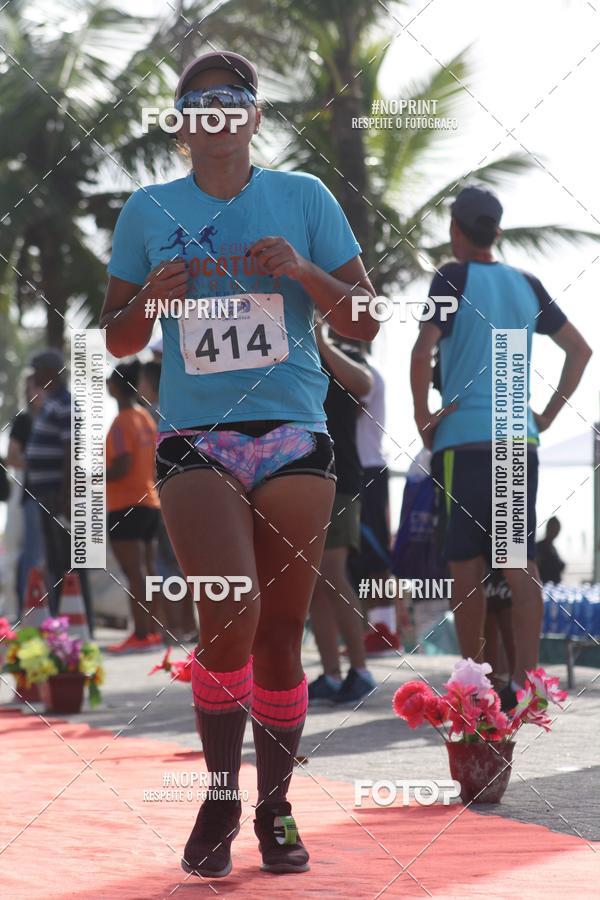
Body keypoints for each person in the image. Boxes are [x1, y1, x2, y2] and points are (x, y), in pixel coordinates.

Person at [101, 50, 377, 879]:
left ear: (256, 116)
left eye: (234, 99)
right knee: (229, 623)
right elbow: (116, 338)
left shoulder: (304, 198)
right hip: (195, 440)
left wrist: (299, 271)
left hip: (295, 434)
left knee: (283, 639)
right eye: (199, 102)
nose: (217, 113)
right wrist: (151, 297)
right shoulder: (148, 209)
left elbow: (364, 320)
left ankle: (275, 807)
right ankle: (223, 791)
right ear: (181, 122)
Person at [410, 184, 591, 709]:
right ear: (499, 230)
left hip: (463, 441)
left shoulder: (451, 276)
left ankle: (473, 685)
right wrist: (547, 415)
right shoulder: (526, 282)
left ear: (456, 230)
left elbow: (422, 351)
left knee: (465, 563)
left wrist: (424, 419)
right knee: (518, 561)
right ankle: (531, 682)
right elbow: (579, 350)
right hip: (517, 439)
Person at [308, 327, 377, 703]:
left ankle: (361, 670)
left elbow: (364, 384)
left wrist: (321, 341)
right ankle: (332, 674)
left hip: (341, 476)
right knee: (313, 582)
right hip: (299, 475)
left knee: (333, 573)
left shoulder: (343, 349)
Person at [24, 349, 94, 631]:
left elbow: (71, 451)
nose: (33, 376)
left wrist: (68, 495)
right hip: (48, 493)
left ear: (50, 373)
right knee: (57, 559)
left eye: (37, 370)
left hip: (59, 493)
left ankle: (78, 621)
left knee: (69, 559)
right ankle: (63, 620)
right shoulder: (53, 401)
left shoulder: (66, 402)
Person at [105, 360, 163, 653]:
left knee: (134, 572)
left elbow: (122, 465)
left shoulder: (120, 423)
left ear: (115, 388)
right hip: (150, 501)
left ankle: (140, 634)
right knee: (148, 570)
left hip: (125, 504)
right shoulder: (145, 418)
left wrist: (91, 476)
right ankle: (151, 632)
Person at [139, 360, 197, 642]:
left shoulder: (151, 414)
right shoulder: (183, 408)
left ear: (152, 382)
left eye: (142, 381)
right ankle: (189, 625)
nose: (138, 387)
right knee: (185, 565)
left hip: (163, 494)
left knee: (165, 566)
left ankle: (172, 627)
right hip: (187, 492)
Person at [349, 355, 401, 655]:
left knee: (376, 556)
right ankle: (374, 629)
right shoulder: (358, 368)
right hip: (353, 470)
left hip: (367, 470)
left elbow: (350, 409)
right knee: (357, 559)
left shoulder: (364, 371)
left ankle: (386, 630)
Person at [6, 374, 45, 612]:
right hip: (31, 495)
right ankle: (26, 606)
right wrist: (40, 464)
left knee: (50, 555)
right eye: (34, 387)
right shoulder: (23, 421)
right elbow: (12, 457)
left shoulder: (54, 417)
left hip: (56, 495)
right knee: (31, 551)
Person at [536, 516, 566, 584]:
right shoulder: (540, 547)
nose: (556, 532)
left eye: (557, 529)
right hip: (544, 587)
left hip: (554, 586)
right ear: (548, 528)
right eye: (553, 528)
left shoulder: (553, 547)